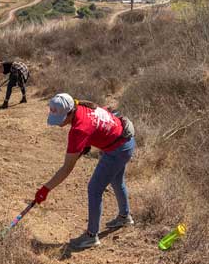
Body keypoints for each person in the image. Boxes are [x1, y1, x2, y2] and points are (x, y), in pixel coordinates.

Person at [33, 93, 136, 250]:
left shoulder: (79, 129)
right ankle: (124, 217)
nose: (59, 124)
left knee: (94, 189)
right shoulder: (81, 106)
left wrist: (45, 189)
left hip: (118, 149)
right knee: (116, 180)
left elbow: (67, 168)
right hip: (124, 141)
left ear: (70, 112)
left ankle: (91, 236)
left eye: (60, 119)